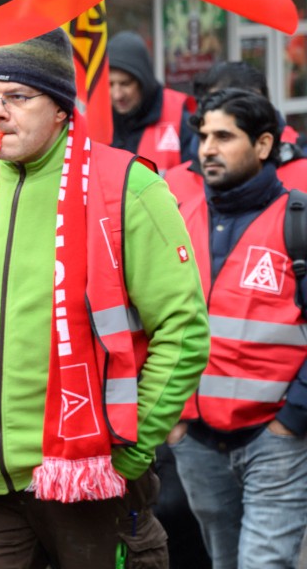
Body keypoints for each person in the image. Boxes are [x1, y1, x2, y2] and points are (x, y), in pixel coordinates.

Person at [0, 29, 210, 569]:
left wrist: (131, 451)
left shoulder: (128, 187)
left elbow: (184, 331)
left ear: (60, 111)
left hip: (91, 477)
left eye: (18, 97)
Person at [168, 88, 307, 569]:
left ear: (264, 145)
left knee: (263, 563)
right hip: (197, 442)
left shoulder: (298, 223)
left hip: (276, 440)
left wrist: (292, 421)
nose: (207, 148)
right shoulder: (178, 221)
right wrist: (175, 422)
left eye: (224, 136)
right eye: (204, 136)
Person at [166, 62, 307, 207]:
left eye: (243, 107)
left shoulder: (301, 174)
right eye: (216, 103)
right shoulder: (175, 182)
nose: (228, 115)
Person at [108, 30, 194, 172]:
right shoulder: (93, 122)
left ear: (143, 82)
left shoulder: (178, 116)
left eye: (125, 84)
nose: (117, 95)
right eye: (109, 84)